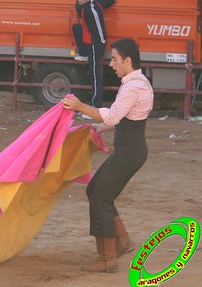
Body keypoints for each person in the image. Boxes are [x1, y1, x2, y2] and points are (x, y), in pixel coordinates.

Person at [62, 38, 154, 273]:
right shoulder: (138, 82)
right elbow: (127, 118)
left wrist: (80, 106)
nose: (111, 64)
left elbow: (113, 116)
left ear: (127, 60)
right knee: (95, 190)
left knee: (100, 196)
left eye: (114, 59)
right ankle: (122, 241)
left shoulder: (133, 87)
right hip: (131, 150)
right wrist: (102, 128)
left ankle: (107, 259)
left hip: (129, 153)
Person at [73, 0, 115, 109]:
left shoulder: (92, 10)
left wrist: (97, 48)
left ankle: (96, 107)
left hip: (95, 45)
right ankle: (83, 53)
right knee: (76, 27)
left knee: (95, 77)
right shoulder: (84, 7)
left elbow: (100, 33)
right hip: (90, 42)